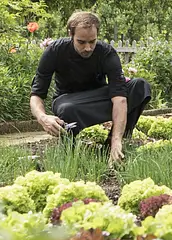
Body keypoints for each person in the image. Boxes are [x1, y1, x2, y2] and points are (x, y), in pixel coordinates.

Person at [30, 11, 151, 163]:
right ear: (70, 34)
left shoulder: (106, 53)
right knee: (67, 108)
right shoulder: (55, 51)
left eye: (92, 42)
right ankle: (71, 153)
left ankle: (114, 145)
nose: (88, 48)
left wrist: (116, 141)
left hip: (98, 98)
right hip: (68, 102)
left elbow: (119, 98)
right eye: (81, 42)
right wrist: (43, 118)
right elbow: (36, 95)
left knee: (140, 86)